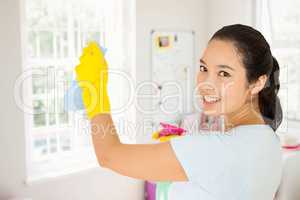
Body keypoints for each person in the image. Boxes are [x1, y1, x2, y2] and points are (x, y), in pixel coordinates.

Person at [75, 24, 283, 200]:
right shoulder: (269, 139)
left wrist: (95, 92)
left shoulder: (217, 150)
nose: (206, 84)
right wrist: (185, 149)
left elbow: (109, 155)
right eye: (203, 69)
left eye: (224, 73)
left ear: (257, 82)